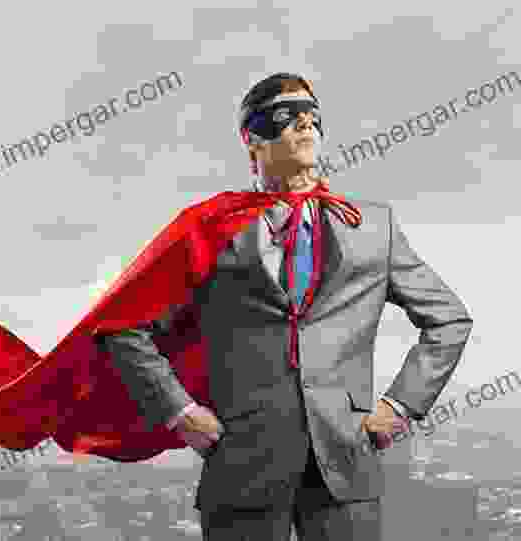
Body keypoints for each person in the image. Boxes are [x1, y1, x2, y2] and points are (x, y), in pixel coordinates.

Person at [98, 73, 473, 540]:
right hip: (241, 465)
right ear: (252, 139)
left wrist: (401, 405)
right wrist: (180, 411)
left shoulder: (374, 226)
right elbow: (123, 325)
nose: (304, 125)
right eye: (285, 116)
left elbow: (449, 320)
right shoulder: (208, 229)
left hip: (347, 467)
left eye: (312, 116)